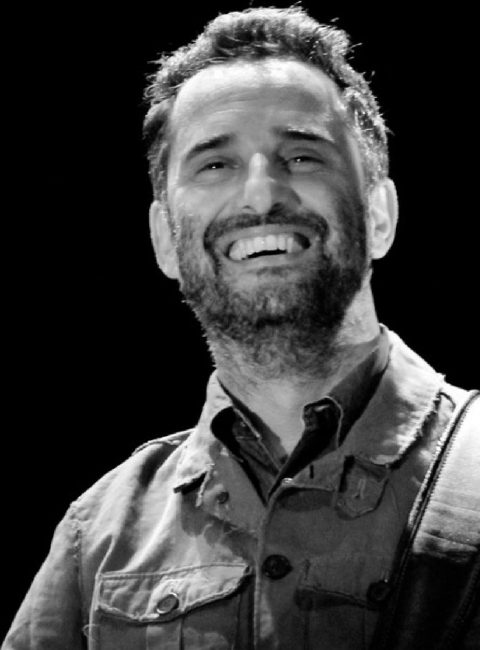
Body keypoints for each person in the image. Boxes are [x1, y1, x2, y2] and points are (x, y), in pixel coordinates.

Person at [3, 6, 478, 649]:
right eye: (215, 165)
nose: (260, 195)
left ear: (379, 215)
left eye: (302, 156)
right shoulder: (97, 537)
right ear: (164, 240)